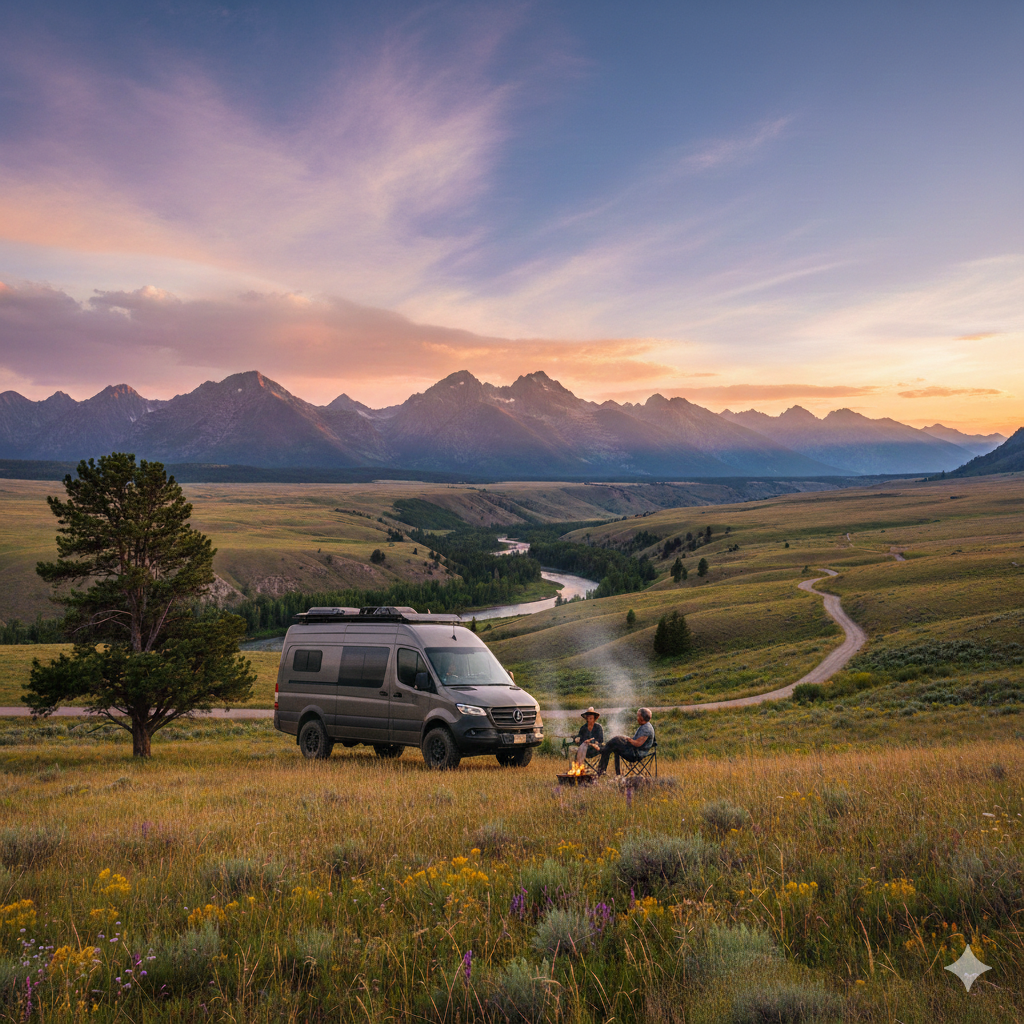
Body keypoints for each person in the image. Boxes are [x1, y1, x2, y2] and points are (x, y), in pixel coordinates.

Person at [596, 708, 654, 775]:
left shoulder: (646, 729)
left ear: (642, 717)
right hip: (634, 751)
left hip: (635, 754)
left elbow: (638, 743)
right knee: (615, 743)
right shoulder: (646, 726)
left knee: (616, 740)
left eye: (638, 716)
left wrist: (630, 740)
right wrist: (626, 739)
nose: (637, 718)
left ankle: (601, 768)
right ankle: (613, 773)